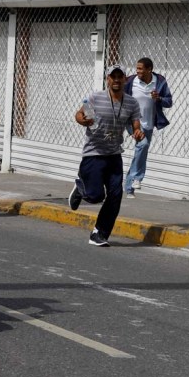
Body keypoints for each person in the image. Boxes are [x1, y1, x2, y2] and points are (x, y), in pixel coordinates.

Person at [69, 64, 143, 246]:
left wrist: (138, 132)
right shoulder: (96, 97)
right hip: (93, 153)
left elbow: (136, 124)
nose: (116, 80)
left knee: (116, 195)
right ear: (107, 79)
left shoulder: (132, 103)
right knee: (95, 196)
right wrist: (83, 120)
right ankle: (80, 187)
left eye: (120, 77)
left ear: (125, 79)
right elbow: (79, 114)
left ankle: (99, 234)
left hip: (114, 154)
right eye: (113, 77)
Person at [123, 57, 173, 198]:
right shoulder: (131, 81)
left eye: (140, 68)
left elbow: (169, 102)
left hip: (149, 123)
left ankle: (129, 188)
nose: (137, 71)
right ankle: (137, 178)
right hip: (133, 122)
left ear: (149, 69)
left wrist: (159, 99)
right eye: (137, 68)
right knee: (142, 145)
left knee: (140, 152)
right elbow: (121, 97)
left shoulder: (160, 82)